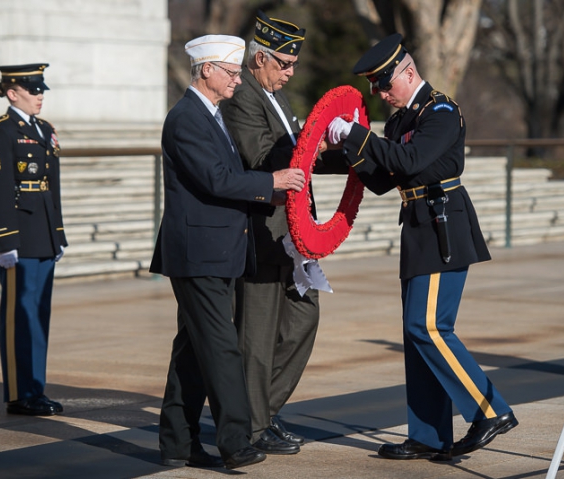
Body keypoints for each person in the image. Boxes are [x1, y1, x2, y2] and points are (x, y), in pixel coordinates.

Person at [327, 33, 518, 460]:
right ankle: (429, 435)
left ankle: (490, 411)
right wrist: (329, 148)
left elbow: (410, 162)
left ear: (408, 72)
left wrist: (356, 135)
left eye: (383, 83)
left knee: (428, 327)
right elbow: (381, 179)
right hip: (417, 227)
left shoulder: (441, 112)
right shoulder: (399, 122)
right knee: (415, 336)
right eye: (374, 86)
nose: (379, 93)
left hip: (442, 225)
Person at [149, 34, 307, 470]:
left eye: (239, 72)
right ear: (206, 71)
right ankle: (235, 440)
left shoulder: (212, 116)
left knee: (193, 349)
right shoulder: (186, 119)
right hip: (198, 252)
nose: (238, 80)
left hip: (217, 250)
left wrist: (267, 196)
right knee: (221, 347)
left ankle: (177, 443)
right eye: (232, 73)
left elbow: (226, 180)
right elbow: (216, 179)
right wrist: (270, 184)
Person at [220, 10, 347, 455]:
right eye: (283, 63)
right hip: (261, 231)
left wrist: (346, 151)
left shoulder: (276, 96)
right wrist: (313, 143)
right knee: (256, 335)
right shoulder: (243, 97)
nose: (291, 72)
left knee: (302, 320)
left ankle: (260, 412)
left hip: (292, 233)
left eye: (294, 64)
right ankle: (252, 426)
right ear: (259, 59)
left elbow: (302, 154)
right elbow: (259, 154)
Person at [0, 63, 67, 416]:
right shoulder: (0, 131)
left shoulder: (44, 129)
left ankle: (35, 388)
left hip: (42, 233)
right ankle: (19, 393)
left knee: (39, 313)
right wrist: (4, 240)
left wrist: (57, 234)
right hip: (17, 235)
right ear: (13, 93)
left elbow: (52, 186)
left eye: (42, 89)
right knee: (20, 314)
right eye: (33, 90)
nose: (40, 95)